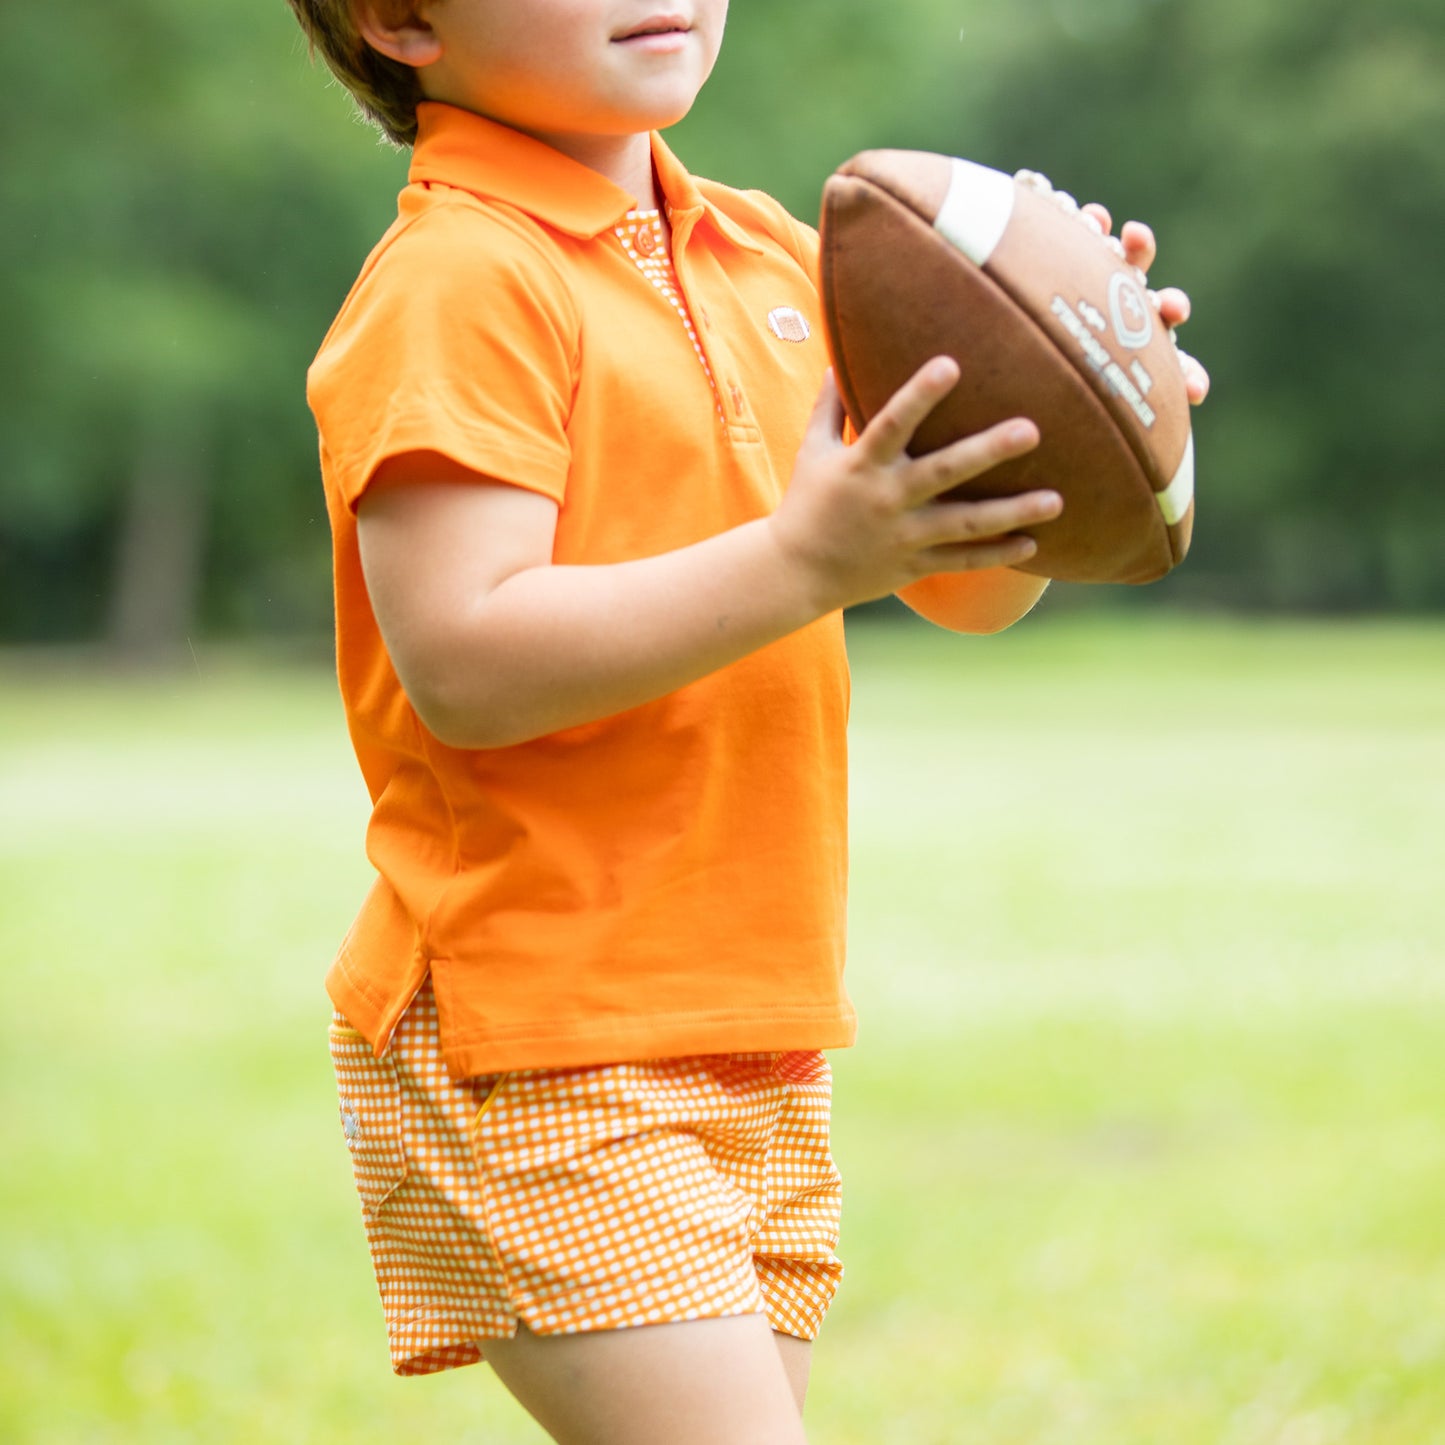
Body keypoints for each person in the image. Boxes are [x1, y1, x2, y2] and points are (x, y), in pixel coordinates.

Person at [285, 2, 1209, 1440]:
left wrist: (1083, 414)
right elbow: (462, 655)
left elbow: (965, 592)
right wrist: (804, 560)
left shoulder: (776, 249)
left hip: (748, 1023)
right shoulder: (458, 278)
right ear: (402, 19)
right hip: (542, 1035)